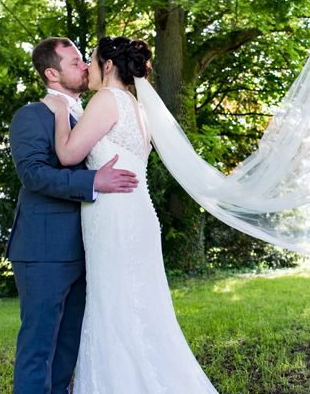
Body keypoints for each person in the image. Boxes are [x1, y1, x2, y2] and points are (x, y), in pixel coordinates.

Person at [42, 36, 218, 393]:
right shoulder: (137, 108)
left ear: (108, 66)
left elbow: (68, 155)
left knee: (116, 306)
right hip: (137, 212)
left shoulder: (105, 99)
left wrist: (61, 113)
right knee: (140, 305)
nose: (87, 68)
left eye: (89, 61)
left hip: (114, 216)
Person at [8, 37, 139, 394]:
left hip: (89, 246)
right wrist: (93, 179)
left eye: (84, 60)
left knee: (70, 346)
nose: (84, 66)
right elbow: (33, 173)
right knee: (39, 345)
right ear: (52, 73)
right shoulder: (31, 115)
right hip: (44, 249)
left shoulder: (94, 111)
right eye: (74, 62)